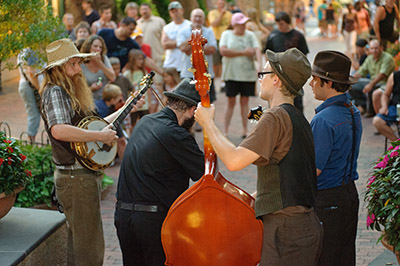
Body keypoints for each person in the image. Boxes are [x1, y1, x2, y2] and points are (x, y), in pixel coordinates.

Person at [195, 48, 323, 266]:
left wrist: (208, 124)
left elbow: (234, 161)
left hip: (287, 230)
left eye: (263, 73)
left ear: (277, 81)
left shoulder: (274, 116)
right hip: (298, 226)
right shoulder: (297, 117)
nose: (259, 79)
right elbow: (292, 172)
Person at [38, 38, 144, 266]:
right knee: (89, 249)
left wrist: (126, 109)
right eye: (73, 64)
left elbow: (95, 126)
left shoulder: (66, 90)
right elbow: (59, 130)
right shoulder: (55, 91)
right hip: (75, 177)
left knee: (83, 245)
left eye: (78, 63)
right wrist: (99, 136)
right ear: (58, 69)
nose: (78, 69)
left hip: (79, 176)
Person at [114, 78, 205, 266]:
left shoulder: (145, 121)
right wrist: (209, 127)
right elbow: (204, 171)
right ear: (192, 110)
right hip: (151, 222)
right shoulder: (177, 135)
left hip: (123, 216)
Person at [309, 50, 362, 266]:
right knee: (345, 257)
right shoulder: (353, 109)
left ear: (328, 83)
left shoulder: (323, 120)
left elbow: (314, 170)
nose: (311, 83)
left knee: (325, 258)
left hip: (327, 199)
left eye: (315, 79)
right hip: (349, 194)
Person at [220, 12, 261, 138]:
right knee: (230, 102)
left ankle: (245, 130)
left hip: (247, 74)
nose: (243, 26)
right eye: (240, 24)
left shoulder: (250, 35)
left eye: (244, 23)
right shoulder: (226, 34)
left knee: (245, 102)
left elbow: (257, 49)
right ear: (234, 25)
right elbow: (223, 51)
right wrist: (243, 52)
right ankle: (225, 131)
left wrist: (259, 64)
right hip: (231, 74)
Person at [264, 11, 309, 113]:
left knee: (296, 105)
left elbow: (303, 56)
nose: (279, 26)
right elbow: (267, 53)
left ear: (287, 23)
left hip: (292, 75)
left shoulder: (298, 36)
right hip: (276, 74)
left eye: (282, 24)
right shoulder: (273, 35)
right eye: (278, 24)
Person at [177, 8, 217, 103]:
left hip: (206, 74)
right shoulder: (183, 32)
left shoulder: (209, 32)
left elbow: (212, 49)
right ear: (191, 18)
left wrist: (192, 47)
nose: (198, 19)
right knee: (187, 104)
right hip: (188, 74)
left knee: (207, 103)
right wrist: (194, 35)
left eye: (200, 17)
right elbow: (183, 48)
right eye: (196, 16)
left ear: (203, 19)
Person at [98, 17, 164, 73]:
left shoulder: (132, 43)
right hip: (100, 69)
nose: (131, 32)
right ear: (123, 26)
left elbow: (145, 59)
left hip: (116, 73)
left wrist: (162, 72)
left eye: (133, 30)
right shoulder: (104, 33)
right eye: (130, 29)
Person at [349, 39, 395, 117]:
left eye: (376, 48)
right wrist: (347, 81)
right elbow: (360, 71)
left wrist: (370, 85)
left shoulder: (387, 58)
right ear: (369, 49)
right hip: (372, 81)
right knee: (351, 85)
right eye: (372, 48)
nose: (374, 50)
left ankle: (370, 111)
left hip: (385, 84)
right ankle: (363, 105)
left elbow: (382, 75)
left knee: (372, 89)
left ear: (381, 48)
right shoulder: (369, 58)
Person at [137, 3, 166, 112]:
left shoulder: (159, 21)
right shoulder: (137, 23)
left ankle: (162, 110)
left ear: (150, 10)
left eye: (146, 9)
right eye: (142, 9)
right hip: (141, 61)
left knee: (158, 84)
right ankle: (150, 112)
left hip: (157, 58)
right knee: (145, 87)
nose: (144, 11)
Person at [17, 49, 43, 143]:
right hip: (31, 87)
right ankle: (31, 143)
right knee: (34, 114)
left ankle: (31, 141)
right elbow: (31, 72)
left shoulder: (24, 51)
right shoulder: (30, 51)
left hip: (26, 85)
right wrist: (40, 90)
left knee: (33, 113)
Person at [80, 35, 116, 101]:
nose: (98, 49)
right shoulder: (82, 63)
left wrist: (100, 64)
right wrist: (91, 88)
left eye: (100, 47)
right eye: (95, 46)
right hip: (89, 100)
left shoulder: (104, 59)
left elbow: (113, 77)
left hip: (105, 100)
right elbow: (79, 90)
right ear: (89, 47)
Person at [123, 49, 150, 131]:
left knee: (145, 125)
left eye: (142, 59)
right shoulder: (127, 74)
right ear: (133, 60)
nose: (141, 61)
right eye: (139, 59)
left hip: (144, 104)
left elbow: (148, 89)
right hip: (133, 104)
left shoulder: (144, 72)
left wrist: (149, 102)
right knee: (133, 125)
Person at [208, 0, 232, 84]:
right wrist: (221, 14)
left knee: (224, 61)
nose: (221, 5)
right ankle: (214, 79)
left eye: (223, 4)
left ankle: (222, 81)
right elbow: (214, 24)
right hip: (216, 39)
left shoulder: (229, 14)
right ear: (217, 4)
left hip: (226, 40)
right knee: (215, 61)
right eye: (220, 4)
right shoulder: (212, 13)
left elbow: (231, 26)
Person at [161, 1, 190, 72]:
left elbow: (192, 42)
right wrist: (183, 43)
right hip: (171, 64)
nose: (175, 14)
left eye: (176, 11)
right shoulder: (167, 28)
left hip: (186, 64)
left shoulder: (189, 25)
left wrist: (172, 43)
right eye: (172, 12)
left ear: (182, 11)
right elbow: (165, 45)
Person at [372, 71, 400, 141]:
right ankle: (397, 144)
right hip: (396, 107)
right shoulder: (395, 75)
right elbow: (386, 95)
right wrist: (384, 107)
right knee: (377, 121)